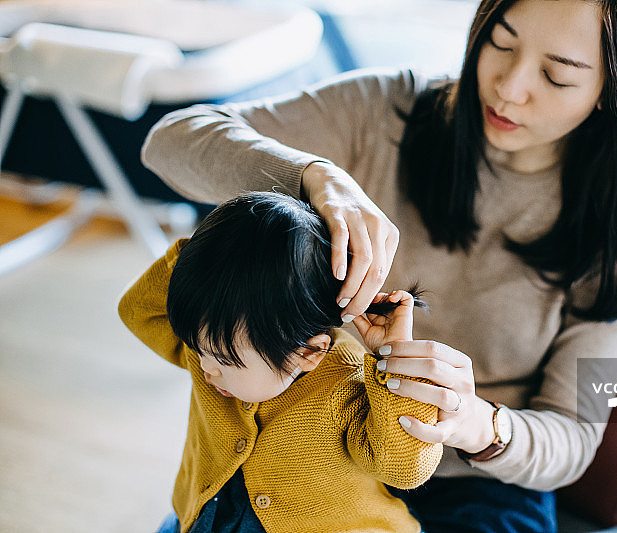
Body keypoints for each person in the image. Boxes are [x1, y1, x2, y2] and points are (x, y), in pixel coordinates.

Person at [141, 0, 617, 530]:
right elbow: (168, 142)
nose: (509, 88)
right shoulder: (384, 110)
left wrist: (474, 422)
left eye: (556, 76)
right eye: (501, 43)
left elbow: (573, 439)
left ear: (615, 87)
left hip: (476, 485)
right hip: (321, 445)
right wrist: (311, 176)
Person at [118, 191, 442, 533]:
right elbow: (137, 311)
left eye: (224, 360)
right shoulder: (212, 341)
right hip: (205, 518)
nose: (204, 368)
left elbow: (406, 468)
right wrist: (203, 259)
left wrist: (394, 360)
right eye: (198, 351)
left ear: (308, 354)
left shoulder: (347, 381)